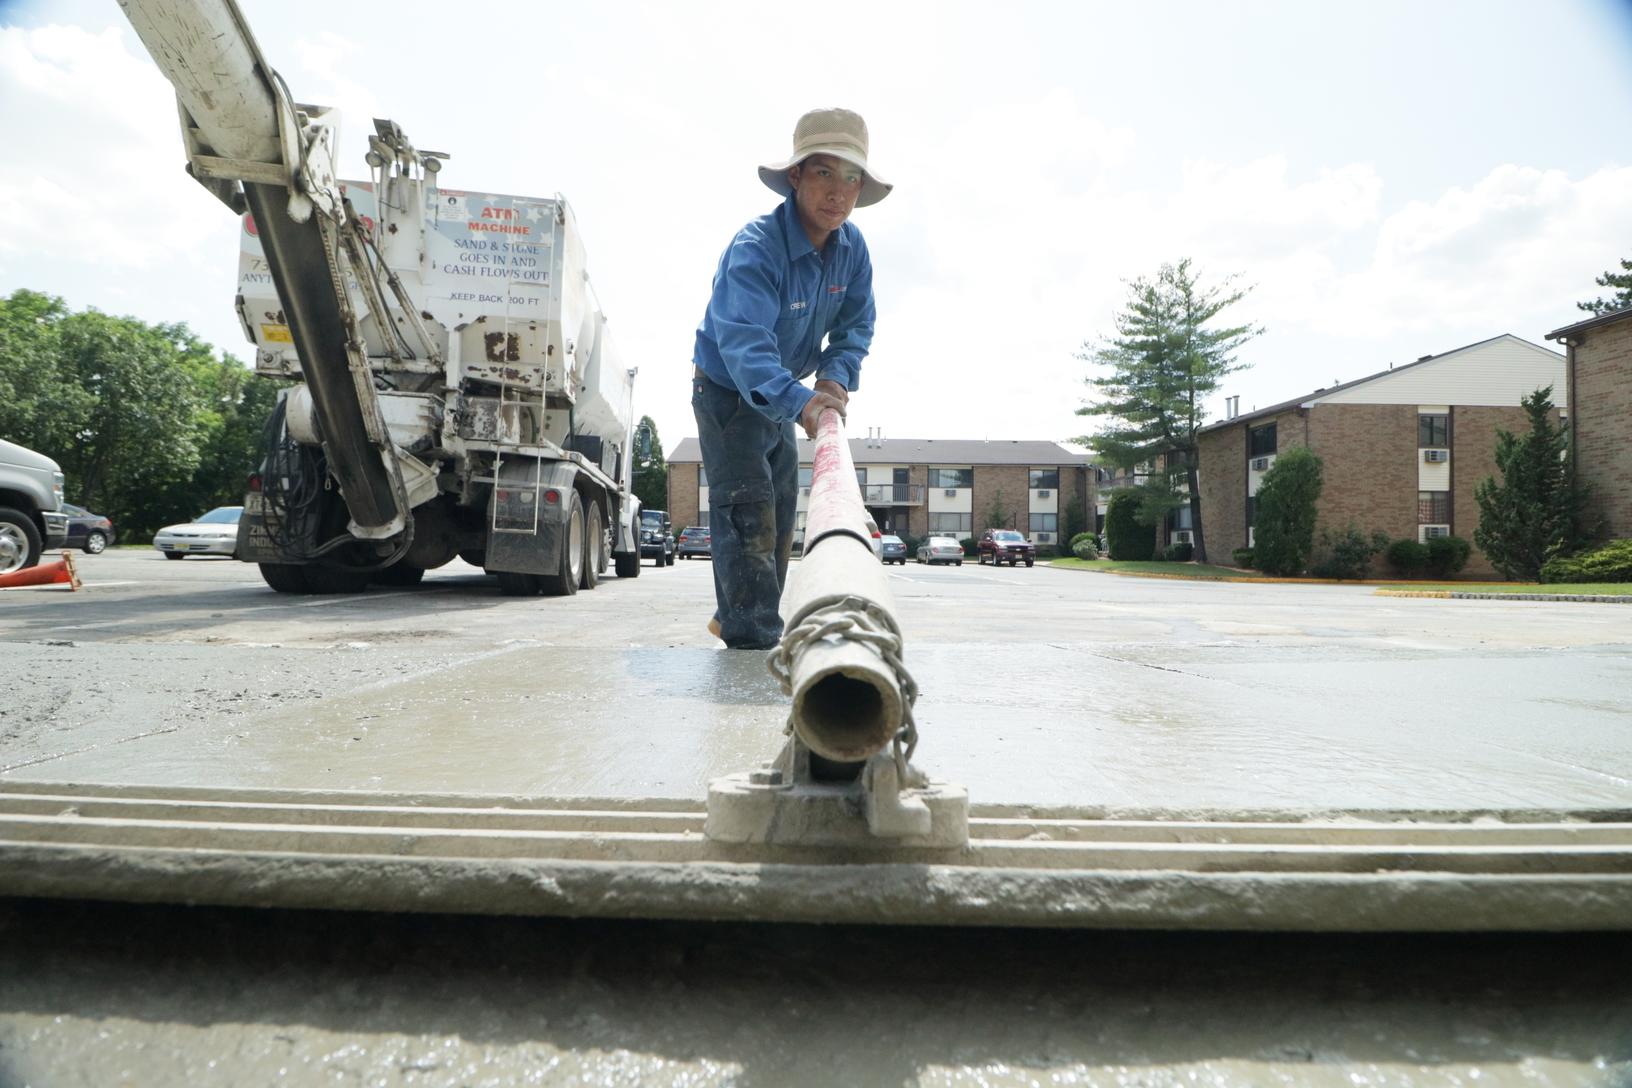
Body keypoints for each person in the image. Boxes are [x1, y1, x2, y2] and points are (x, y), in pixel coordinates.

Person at [691, 107, 891, 650]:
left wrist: (834, 382)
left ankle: (738, 609)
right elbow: (746, 348)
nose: (840, 193)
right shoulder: (757, 249)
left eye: (853, 178)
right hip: (730, 389)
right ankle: (751, 639)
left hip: (788, 393)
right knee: (747, 506)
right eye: (826, 172)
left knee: (779, 508)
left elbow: (856, 327)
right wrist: (802, 402)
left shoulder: (853, 251)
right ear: (797, 175)